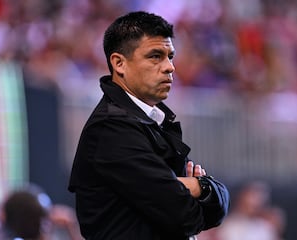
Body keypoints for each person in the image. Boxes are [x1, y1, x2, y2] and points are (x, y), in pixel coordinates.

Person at [68, 11, 230, 240]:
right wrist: (196, 188)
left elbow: (218, 205)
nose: (170, 67)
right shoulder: (110, 129)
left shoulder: (151, 120)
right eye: (156, 56)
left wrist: (198, 186)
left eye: (170, 56)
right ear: (119, 63)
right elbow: (184, 216)